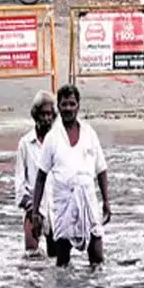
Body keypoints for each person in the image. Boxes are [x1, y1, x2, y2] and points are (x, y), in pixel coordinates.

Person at [30, 84, 111, 268]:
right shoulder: (52, 137)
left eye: (72, 104)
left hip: (88, 201)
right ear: (58, 107)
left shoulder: (90, 133)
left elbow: (101, 169)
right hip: (63, 203)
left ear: (78, 106)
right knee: (63, 261)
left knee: (97, 258)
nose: (68, 108)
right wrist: (35, 212)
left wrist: (106, 202)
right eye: (64, 104)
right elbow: (41, 176)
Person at [16, 91, 56, 255]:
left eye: (50, 114)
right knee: (31, 259)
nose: (47, 118)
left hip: (56, 209)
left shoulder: (58, 143)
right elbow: (19, 184)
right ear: (35, 115)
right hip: (34, 209)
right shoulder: (25, 144)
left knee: (58, 261)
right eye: (43, 114)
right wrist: (32, 208)